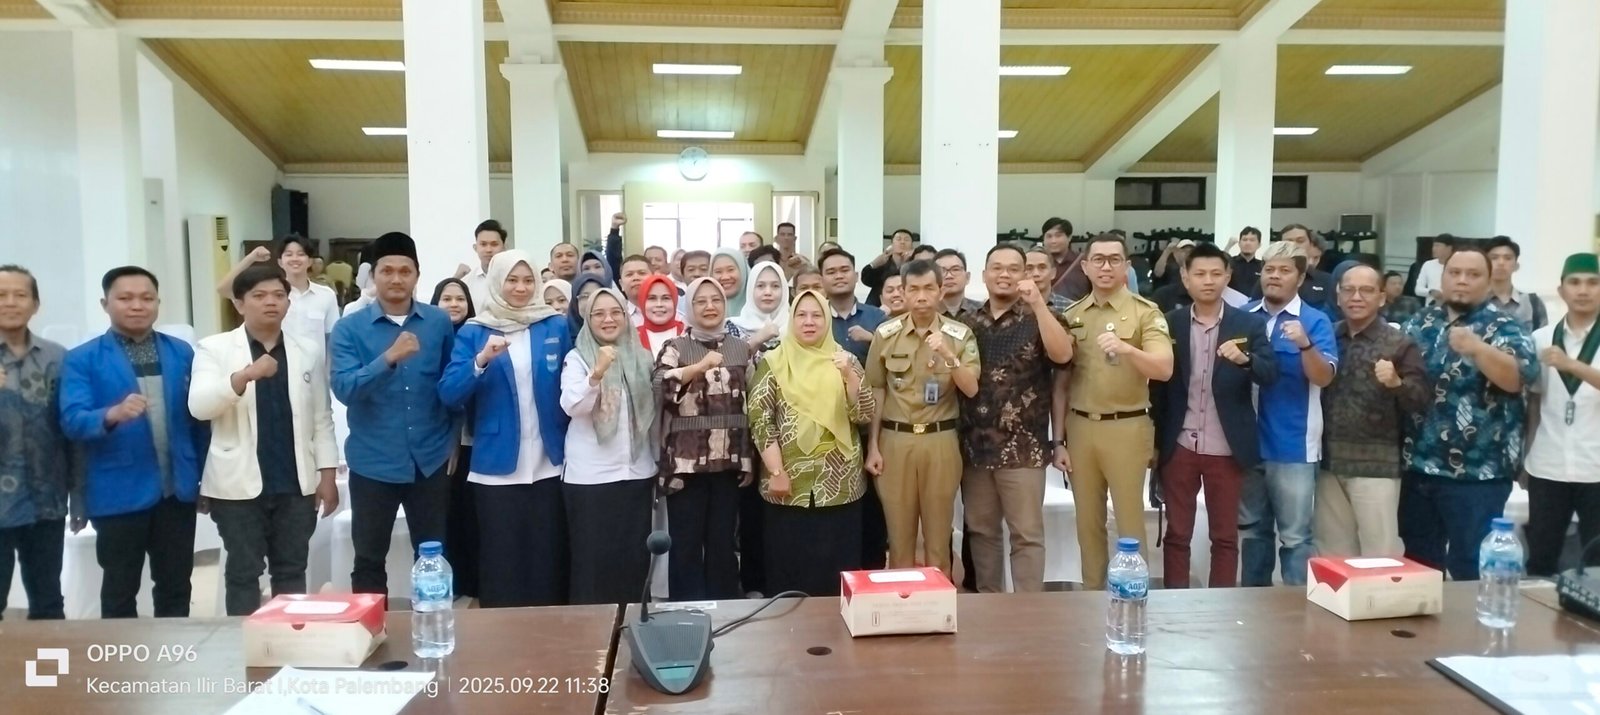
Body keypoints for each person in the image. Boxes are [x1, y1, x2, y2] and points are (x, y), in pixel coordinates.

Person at [190, 264, 338, 616]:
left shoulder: (307, 350)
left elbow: (322, 417)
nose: (271, 302)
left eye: (278, 295)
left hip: (294, 482)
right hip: (237, 485)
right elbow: (199, 406)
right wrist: (244, 377)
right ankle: (243, 643)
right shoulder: (214, 348)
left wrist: (328, 474)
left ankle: (288, 640)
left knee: (292, 570)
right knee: (244, 572)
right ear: (239, 304)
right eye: (259, 295)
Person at [60, 266, 207, 618]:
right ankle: (122, 651)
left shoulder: (181, 352)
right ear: (105, 304)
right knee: (120, 588)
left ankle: (174, 650)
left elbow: (200, 422)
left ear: (158, 303)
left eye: (146, 298)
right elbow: (71, 420)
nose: (137, 306)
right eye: (125, 298)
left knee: (176, 586)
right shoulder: (82, 359)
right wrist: (111, 414)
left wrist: (205, 478)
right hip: (117, 491)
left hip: (177, 490)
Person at [439, 251, 571, 607]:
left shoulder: (554, 325)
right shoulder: (475, 330)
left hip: (550, 460)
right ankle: (503, 635)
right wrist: (480, 361)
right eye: (512, 280)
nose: (521, 288)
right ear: (497, 282)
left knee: (547, 557)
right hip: (496, 464)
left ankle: (550, 634)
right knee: (502, 560)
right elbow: (449, 393)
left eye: (528, 280)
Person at [1399, 246, 1537, 580]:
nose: (1462, 280)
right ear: (1442, 277)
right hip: (1419, 466)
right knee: (1418, 565)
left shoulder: (1505, 327)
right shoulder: (1420, 322)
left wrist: (1478, 349)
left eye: (1473, 275)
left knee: (1470, 567)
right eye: (1455, 273)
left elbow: (1516, 379)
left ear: (1489, 282)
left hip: (1479, 475)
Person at [329, 232, 455, 597]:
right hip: (373, 463)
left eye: (405, 271)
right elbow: (344, 388)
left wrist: (453, 439)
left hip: (429, 460)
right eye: (387, 271)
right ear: (373, 276)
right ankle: (372, 627)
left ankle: (431, 625)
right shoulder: (349, 328)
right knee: (369, 559)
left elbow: (450, 385)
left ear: (417, 275)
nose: (396, 279)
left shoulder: (438, 322)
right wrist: (388, 358)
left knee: (432, 556)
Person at [1155, 244, 1277, 589]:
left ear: (1227, 276)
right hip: (1180, 443)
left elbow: (1270, 373)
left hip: (1227, 445)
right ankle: (1175, 602)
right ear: (1185, 277)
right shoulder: (1170, 323)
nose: (1207, 281)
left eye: (1215, 274)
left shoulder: (1249, 323)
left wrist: (1245, 360)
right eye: (1199, 274)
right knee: (1177, 534)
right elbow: (1160, 388)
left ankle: (1221, 605)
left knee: (1224, 536)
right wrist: (1156, 443)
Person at [958, 244, 1073, 593]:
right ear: (984, 275)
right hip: (974, 448)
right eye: (997, 267)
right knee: (981, 532)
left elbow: (1063, 355)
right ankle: (990, 605)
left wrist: (1038, 304)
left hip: (1023, 449)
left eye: (1013, 268)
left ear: (1025, 274)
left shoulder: (1043, 316)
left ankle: (1027, 610)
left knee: (1026, 535)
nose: (1004, 274)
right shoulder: (965, 323)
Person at [1061, 235, 1174, 590]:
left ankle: (1132, 596)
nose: (1106, 267)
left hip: (1126, 425)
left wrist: (1128, 350)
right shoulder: (1072, 315)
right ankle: (1092, 596)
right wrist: (1059, 439)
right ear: (1085, 266)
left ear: (1127, 266)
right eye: (1098, 259)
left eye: (1114, 259)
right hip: (1080, 426)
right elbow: (1061, 378)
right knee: (1087, 523)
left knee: (1129, 521)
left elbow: (1164, 368)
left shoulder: (1145, 312)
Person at [748, 290, 876, 595]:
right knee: (789, 566)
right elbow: (761, 421)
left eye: (817, 315)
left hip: (841, 484)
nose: (809, 322)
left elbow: (864, 414)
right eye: (801, 315)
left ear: (826, 320)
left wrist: (850, 377)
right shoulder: (773, 362)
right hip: (787, 485)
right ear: (791, 320)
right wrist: (777, 471)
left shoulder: (845, 360)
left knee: (837, 571)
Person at [865, 260, 980, 579]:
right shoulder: (886, 334)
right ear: (901, 292)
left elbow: (971, 388)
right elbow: (876, 389)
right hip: (895, 440)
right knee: (898, 538)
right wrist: (873, 446)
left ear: (941, 291)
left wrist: (948, 354)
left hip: (940, 440)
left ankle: (939, 603)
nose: (921, 296)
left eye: (929, 288)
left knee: (939, 537)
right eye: (913, 289)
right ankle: (901, 601)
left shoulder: (959, 334)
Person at [1314, 265, 1428, 560]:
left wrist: (1396, 383)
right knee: (1333, 558)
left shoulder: (1400, 342)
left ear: (1382, 297)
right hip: (1327, 463)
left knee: (1381, 556)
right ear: (1338, 295)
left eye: (1366, 290)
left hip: (1377, 467)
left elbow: (1420, 399)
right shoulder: (1326, 336)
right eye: (1349, 289)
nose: (1356, 297)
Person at [1240, 241, 1338, 587]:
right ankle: (1252, 606)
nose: (1275, 276)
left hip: (1293, 446)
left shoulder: (1315, 320)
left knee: (1295, 539)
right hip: (1247, 445)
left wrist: (1305, 345)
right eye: (1269, 269)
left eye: (1284, 270)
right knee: (1252, 533)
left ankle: (1297, 610)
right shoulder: (1243, 316)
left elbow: (1324, 377)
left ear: (1300, 277)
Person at [655, 278, 755, 600]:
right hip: (686, 466)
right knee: (685, 544)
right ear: (689, 307)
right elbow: (660, 387)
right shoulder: (675, 347)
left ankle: (724, 610)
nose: (710, 307)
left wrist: (748, 459)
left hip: (729, 464)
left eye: (716, 300)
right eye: (701, 301)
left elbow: (751, 406)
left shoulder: (741, 348)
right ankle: (684, 611)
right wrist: (697, 367)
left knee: (722, 544)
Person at [562, 288, 657, 604]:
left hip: (637, 472)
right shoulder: (577, 357)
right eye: (599, 313)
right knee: (593, 564)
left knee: (634, 560)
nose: (608, 319)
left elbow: (653, 413)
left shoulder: (642, 357)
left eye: (616, 312)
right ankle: (593, 630)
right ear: (587, 319)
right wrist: (597, 372)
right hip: (591, 478)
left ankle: (631, 622)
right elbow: (572, 405)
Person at [0, 265, 73, 620]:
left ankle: (50, 660)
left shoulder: (57, 357)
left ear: (36, 304)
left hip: (47, 499)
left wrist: (79, 493)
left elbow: (70, 428)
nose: (10, 302)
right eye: (1, 295)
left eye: (20, 295)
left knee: (48, 602)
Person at [1524, 253, 1600, 576]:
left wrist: (1572, 365)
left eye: (1593, 283)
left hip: (1596, 467)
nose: (1583, 290)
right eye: (1575, 282)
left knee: (1597, 564)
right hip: (1548, 465)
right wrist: (1527, 454)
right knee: (1540, 560)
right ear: (1561, 290)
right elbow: (1535, 402)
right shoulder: (1541, 339)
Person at [818, 249, 889, 568]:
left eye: (844, 269)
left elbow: (893, 365)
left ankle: (871, 572)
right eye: (831, 271)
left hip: (871, 426)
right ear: (822, 280)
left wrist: (873, 340)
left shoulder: (877, 318)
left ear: (856, 275)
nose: (838, 275)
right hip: (830, 431)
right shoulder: (816, 319)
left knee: (874, 509)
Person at [429, 277, 480, 601]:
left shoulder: (476, 336)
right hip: (441, 440)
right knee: (447, 514)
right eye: (446, 298)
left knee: (471, 514)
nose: (453, 304)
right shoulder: (430, 339)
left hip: (472, 440)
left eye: (460, 298)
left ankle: (473, 584)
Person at [218, 237, 342, 347]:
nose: (295, 259)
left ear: (309, 261)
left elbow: (332, 337)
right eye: (289, 254)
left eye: (300, 254)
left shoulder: (326, 295)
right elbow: (223, 289)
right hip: (278, 361)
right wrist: (251, 258)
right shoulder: (269, 294)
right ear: (280, 262)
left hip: (316, 364)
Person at [1487, 236, 1548, 332]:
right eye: (1494, 258)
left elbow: (1542, 337)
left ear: (1516, 266)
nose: (1501, 263)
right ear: (1484, 264)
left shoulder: (1533, 303)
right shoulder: (1474, 301)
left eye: (1508, 258)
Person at [732, 261, 789, 354]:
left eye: (775, 286)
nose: (768, 292)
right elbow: (729, 360)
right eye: (760, 286)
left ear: (784, 290)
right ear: (750, 289)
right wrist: (757, 340)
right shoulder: (733, 328)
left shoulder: (796, 327)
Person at [1280, 225, 1334, 313]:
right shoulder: (1270, 278)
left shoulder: (1327, 280)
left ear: (1310, 245)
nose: (1295, 245)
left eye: (1300, 241)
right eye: (1289, 241)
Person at [456, 219, 508, 311]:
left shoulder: (516, 279)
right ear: (475, 248)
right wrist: (454, 279)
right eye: (483, 244)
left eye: (494, 244)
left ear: (504, 247)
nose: (488, 250)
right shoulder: (466, 282)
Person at [1040, 217, 1089, 302]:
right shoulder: (1037, 264)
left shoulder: (1083, 261)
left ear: (1069, 237)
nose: (1053, 241)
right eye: (1049, 236)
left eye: (1058, 236)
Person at [861, 229, 915, 307]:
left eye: (906, 240)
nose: (902, 242)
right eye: (898, 239)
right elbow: (866, 280)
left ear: (912, 246)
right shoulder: (883, 262)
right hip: (878, 303)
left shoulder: (915, 265)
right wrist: (873, 264)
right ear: (892, 244)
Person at [638, 274, 685, 357]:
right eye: (652, 298)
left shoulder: (687, 333)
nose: (659, 304)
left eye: (666, 298)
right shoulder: (633, 337)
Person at [1025, 245, 1073, 312]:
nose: (1036, 274)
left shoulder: (1070, 308)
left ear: (1053, 273)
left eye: (1042, 267)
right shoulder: (1014, 307)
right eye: (1029, 268)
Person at [934, 249, 981, 318]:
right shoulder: (926, 313)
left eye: (955, 269)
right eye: (942, 271)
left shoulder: (982, 311)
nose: (949, 276)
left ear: (967, 277)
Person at [566, 272, 610, 339]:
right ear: (575, 302)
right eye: (585, 296)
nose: (591, 300)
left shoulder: (620, 331)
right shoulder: (564, 336)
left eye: (597, 294)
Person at [1412, 234, 1453, 303]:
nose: (1434, 249)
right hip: (1431, 306)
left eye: (1437, 246)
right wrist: (1431, 292)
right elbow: (1418, 290)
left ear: (1449, 248)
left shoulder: (1457, 266)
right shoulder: (1428, 264)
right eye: (1433, 246)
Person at [711, 248, 750, 317]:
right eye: (718, 271)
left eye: (730, 270)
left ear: (743, 271)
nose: (725, 277)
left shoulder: (762, 310)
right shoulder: (703, 312)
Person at [1226, 227, 1264, 297]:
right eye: (1244, 239)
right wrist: (1228, 246)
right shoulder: (1230, 262)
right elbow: (1219, 264)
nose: (1247, 243)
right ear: (1239, 243)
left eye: (1252, 240)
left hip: (1255, 302)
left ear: (1259, 245)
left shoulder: (1263, 266)